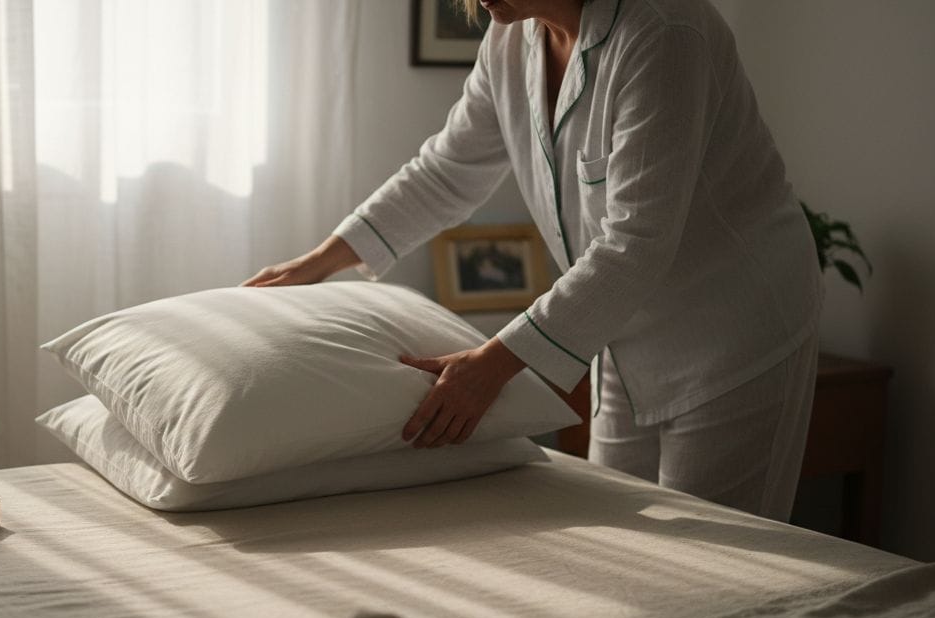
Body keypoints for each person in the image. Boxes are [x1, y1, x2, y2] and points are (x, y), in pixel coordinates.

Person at [244, 0, 821, 523]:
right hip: (622, 331)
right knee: (627, 544)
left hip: (733, 333)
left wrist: (490, 366)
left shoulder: (665, 32)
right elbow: (446, 171)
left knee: (724, 567)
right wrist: (319, 262)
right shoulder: (512, 40)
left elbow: (635, 242)